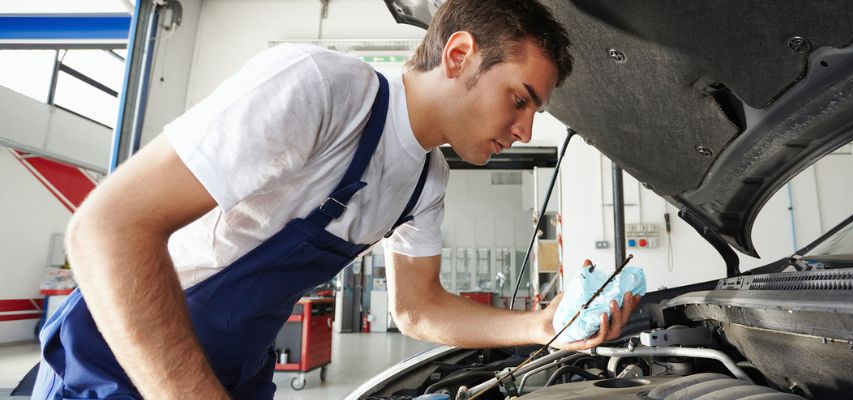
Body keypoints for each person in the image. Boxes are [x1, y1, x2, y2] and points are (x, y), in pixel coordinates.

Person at [33, 0, 641, 398]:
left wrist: (542, 327)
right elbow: (107, 229)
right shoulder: (319, 89)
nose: (526, 131)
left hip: (234, 370)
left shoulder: (425, 181)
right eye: (520, 98)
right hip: (126, 355)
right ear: (459, 56)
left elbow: (419, 310)